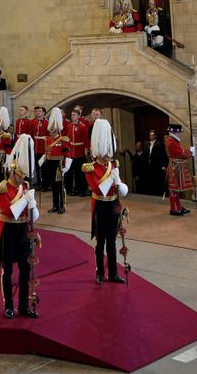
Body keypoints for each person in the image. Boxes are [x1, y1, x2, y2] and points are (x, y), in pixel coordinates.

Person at [0, 135, 39, 320]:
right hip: (8, 231)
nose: (22, 179)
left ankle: (23, 305)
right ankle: (8, 306)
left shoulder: (26, 186)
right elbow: (10, 211)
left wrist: (33, 204)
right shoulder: (2, 188)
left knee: (25, 269)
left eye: (23, 176)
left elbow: (33, 216)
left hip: (22, 231)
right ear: (12, 172)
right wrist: (25, 200)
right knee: (8, 271)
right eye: (19, 175)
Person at [83, 118, 128, 284]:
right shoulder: (91, 167)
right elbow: (97, 189)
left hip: (113, 204)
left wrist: (119, 183)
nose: (108, 153)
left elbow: (121, 190)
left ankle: (114, 272)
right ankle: (100, 272)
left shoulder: (113, 164)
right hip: (101, 206)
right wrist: (112, 178)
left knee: (112, 239)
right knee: (100, 240)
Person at [42, 108, 69, 215]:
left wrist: (66, 166)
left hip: (58, 165)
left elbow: (67, 154)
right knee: (53, 186)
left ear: (57, 129)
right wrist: (42, 159)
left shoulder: (63, 139)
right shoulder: (48, 140)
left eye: (53, 130)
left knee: (59, 186)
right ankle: (55, 205)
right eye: (51, 130)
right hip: (50, 164)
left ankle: (62, 206)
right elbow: (47, 151)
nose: (51, 131)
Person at [164, 123, 194, 216]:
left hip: (175, 166)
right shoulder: (171, 142)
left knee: (175, 189)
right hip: (175, 167)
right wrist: (191, 152)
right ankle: (174, 209)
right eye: (179, 132)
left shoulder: (172, 140)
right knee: (174, 189)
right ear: (175, 132)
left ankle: (178, 207)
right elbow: (181, 154)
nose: (180, 134)